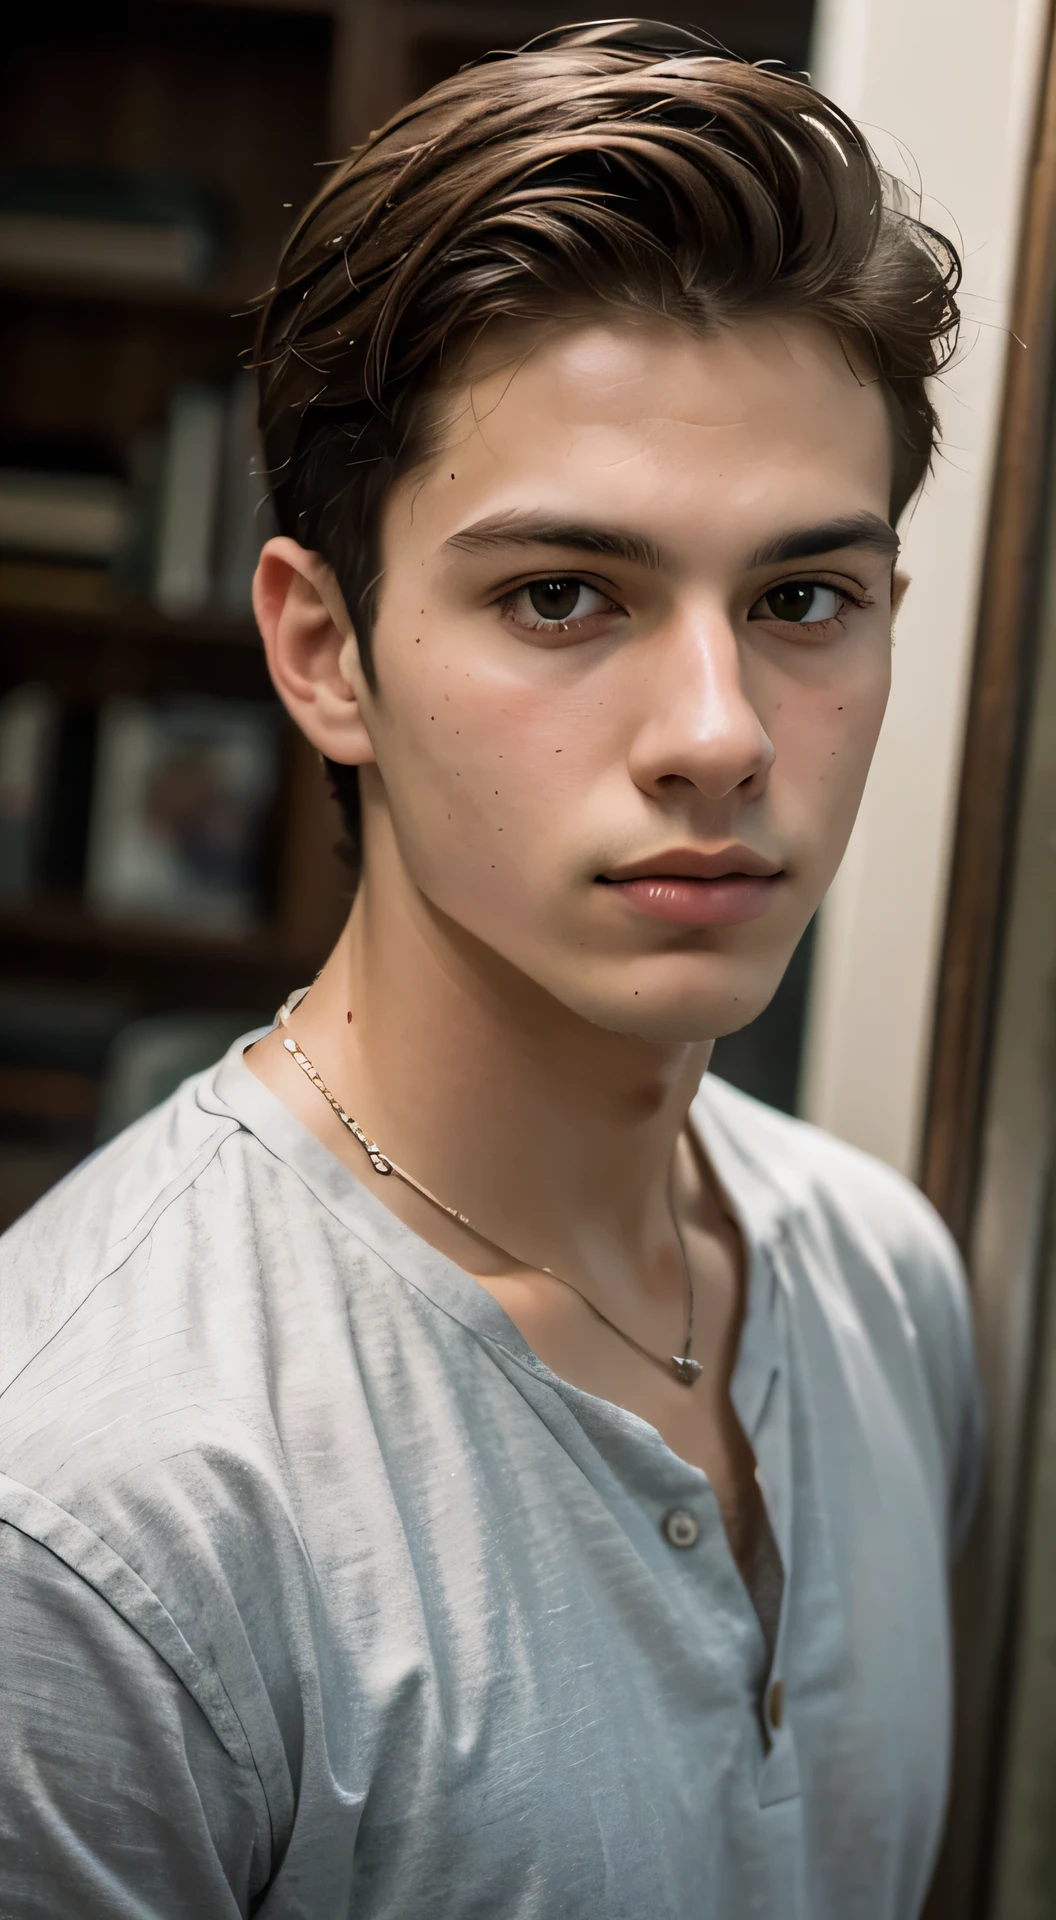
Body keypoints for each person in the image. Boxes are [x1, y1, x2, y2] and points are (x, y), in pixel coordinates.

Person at [0, 21, 981, 1918]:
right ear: (325, 652)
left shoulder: (889, 1286)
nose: (718, 733)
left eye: (801, 600)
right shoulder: (85, 1513)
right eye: (563, 595)